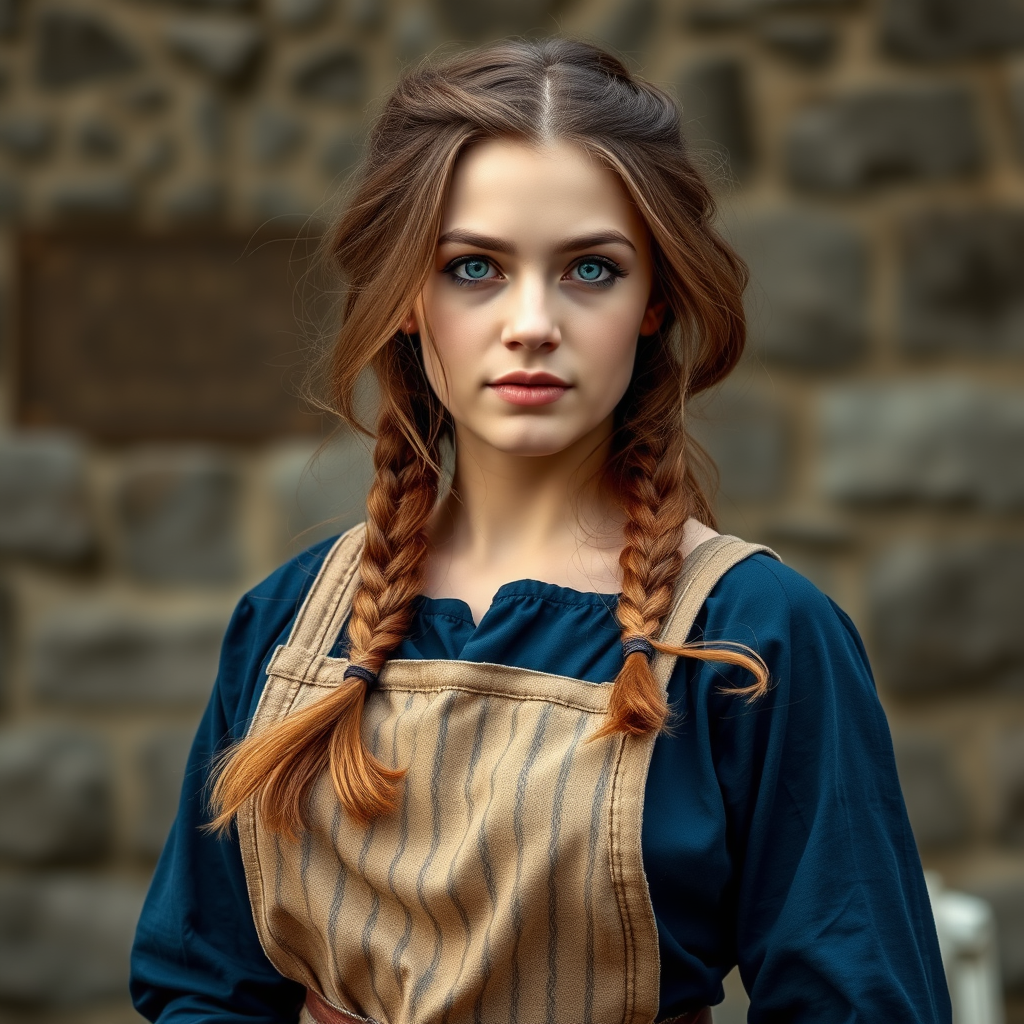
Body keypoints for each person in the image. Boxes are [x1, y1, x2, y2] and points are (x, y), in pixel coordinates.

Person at [130, 38, 951, 1024]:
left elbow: (861, 1003)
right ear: (404, 298)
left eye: (590, 270)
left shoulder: (755, 633)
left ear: (653, 301)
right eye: (473, 266)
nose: (531, 321)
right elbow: (200, 985)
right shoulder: (288, 625)